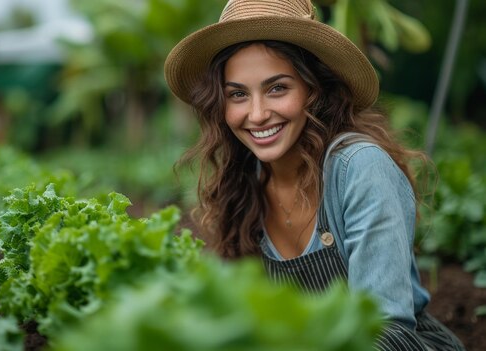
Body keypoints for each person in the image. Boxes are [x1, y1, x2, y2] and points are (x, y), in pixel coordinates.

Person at [164, 0, 465, 350]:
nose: (257, 114)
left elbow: (388, 332)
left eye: (277, 88)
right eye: (238, 95)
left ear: (314, 88)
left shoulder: (360, 169)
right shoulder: (243, 182)